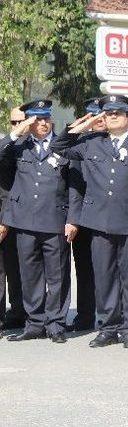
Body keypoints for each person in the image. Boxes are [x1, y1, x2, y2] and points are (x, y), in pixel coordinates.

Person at [51, 94, 128, 349]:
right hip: (99, 222)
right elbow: (58, 146)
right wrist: (87, 124)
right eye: (108, 114)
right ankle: (108, 327)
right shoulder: (91, 143)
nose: (112, 117)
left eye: (117, 113)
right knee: (105, 277)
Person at [0, 100, 80, 343]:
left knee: (57, 275)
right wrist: (17, 131)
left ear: (51, 120)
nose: (42, 123)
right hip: (24, 222)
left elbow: (75, 186)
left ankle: (55, 323)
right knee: (30, 275)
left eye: (45, 118)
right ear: (28, 122)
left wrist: (73, 219)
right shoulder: (18, 146)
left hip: (55, 220)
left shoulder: (62, 145)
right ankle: (34, 322)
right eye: (36, 119)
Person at [66, 98, 101, 332]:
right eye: (94, 116)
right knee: (85, 268)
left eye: (103, 115)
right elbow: (73, 186)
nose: (99, 121)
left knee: (112, 269)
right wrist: (74, 218)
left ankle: (113, 317)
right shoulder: (78, 144)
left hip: (109, 215)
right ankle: (86, 316)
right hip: (83, 216)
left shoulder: (118, 141)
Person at [0, 108, 26, 332]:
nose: (17, 125)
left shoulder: (39, 146)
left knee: (21, 269)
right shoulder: (7, 145)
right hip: (5, 215)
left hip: (26, 218)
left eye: (22, 121)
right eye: (13, 122)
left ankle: (22, 311)